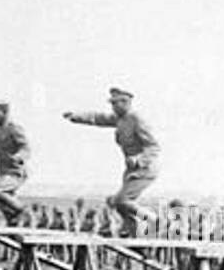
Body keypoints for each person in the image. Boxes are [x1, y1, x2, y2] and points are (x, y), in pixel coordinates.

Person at [63, 87, 160, 237]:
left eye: (116, 104)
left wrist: (139, 159)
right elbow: (98, 118)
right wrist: (76, 117)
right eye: (112, 104)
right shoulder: (120, 119)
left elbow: (154, 146)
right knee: (121, 206)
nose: (113, 107)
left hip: (145, 168)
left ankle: (154, 221)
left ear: (126, 103)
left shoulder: (137, 119)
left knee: (122, 200)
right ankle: (134, 235)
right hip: (131, 169)